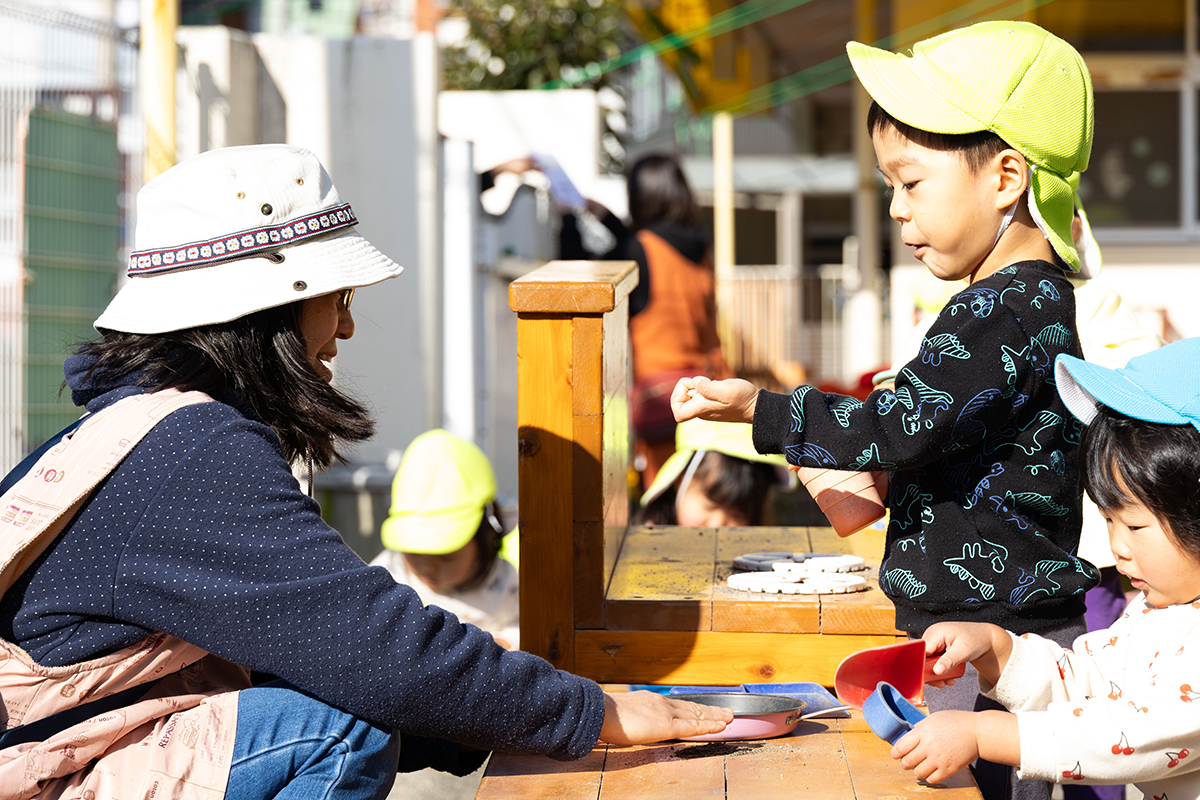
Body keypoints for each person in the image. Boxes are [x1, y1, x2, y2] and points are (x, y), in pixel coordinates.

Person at [0, 144, 731, 797]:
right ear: (268, 307)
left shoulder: (144, 429)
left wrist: (511, 701)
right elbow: (376, 650)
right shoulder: (194, 451)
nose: (345, 327)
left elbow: (329, 653)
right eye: (338, 297)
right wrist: (595, 712)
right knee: (335, 732)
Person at [673, 21, 1096, 800]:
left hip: (992, 636)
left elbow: (895, 426)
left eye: (911, 181)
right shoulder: (1019, 301)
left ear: (1006, 178)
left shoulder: (1003, 309)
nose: (897, 208)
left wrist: (759, 410)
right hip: (982, 622)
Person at [901, 337, 1200, 800]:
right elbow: (1094, 680)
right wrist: (997, 651)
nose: (1117, 548)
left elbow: (1131, 732)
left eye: (1136, 526)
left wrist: (986, 735)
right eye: (1108, 520)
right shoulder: (1158, 609)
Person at [371, 429, 520, 650]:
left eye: (446, 555)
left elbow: (526, 627)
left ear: (485, 535)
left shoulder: (502, 581)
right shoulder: (389, 576)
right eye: (412, 551)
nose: (427, 566)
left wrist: (504, 642)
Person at [635, 418, 794, 527]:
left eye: (737, 515)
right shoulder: (649, 543)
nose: (718, 524)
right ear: (679, 482)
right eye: (709, 505)